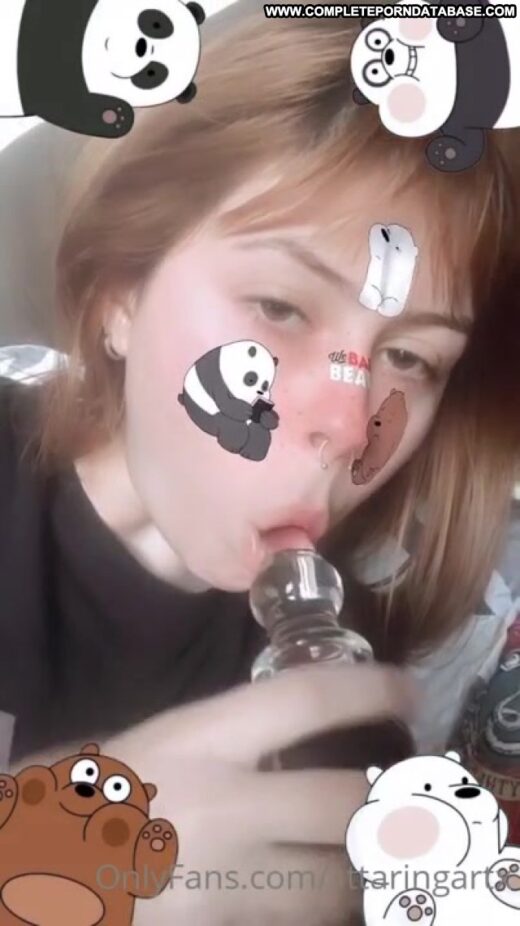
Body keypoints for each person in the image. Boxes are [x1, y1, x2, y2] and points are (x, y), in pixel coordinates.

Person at [1, 4, 520, 924]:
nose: (350, 426)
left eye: (411, 357)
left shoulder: (374, 643)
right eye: (280, 307)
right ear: (121, 295)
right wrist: (45, 870)